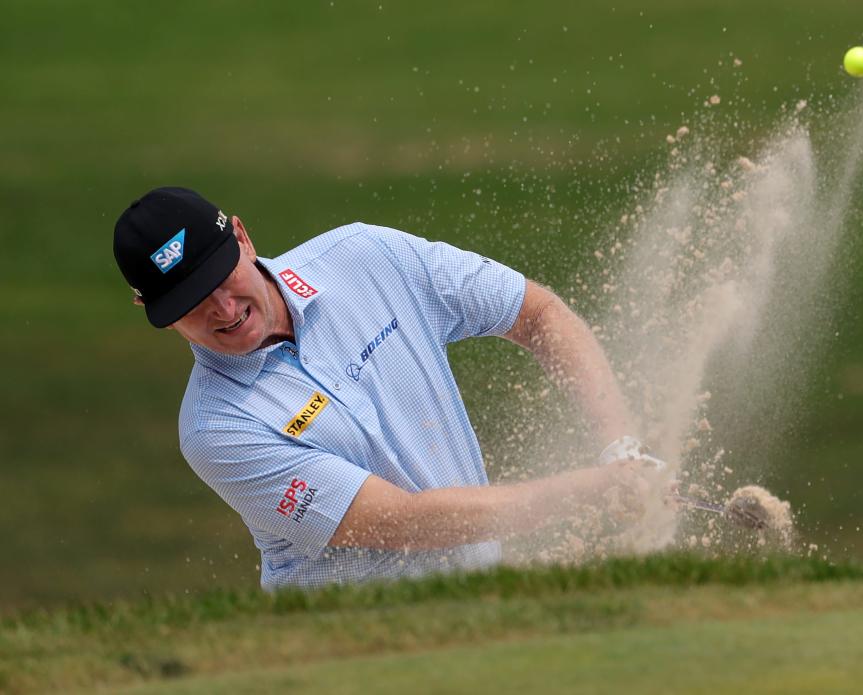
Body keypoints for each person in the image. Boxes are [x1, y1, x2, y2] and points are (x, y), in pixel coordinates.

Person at [113, 186, 666, 590]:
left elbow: (538, 315)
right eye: (189, 303)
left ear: (242, 236)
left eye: (220, 278)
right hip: (356, 655)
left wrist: (621, 448)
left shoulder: (367, 258)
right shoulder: (217, 429)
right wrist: (585, 492)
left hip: (484, 613)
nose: (223, 310)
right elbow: (406, 522)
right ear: (150, 310)